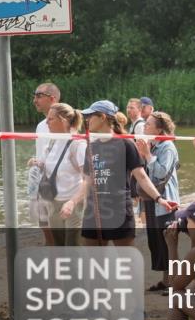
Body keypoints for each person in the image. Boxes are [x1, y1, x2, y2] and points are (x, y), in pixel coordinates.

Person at [62, 100, 177, 245]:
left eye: (91, 116)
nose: (87, 120)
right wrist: (72, 202)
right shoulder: (91, 147)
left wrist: (159, 199)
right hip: (94, 213)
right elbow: (87, 181)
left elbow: (141, 176)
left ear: (103, 117)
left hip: (120, 211)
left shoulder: (126, 144)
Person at [135, 111, 180, 293]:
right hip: (152, 200)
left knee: (167, 241)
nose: (145, 126)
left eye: (149, 124)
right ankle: (165, 279)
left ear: (159, 129)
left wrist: (147, 155)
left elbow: (161, 173)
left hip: (166, 201)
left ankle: (173, 283)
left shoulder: (167, 147)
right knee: (155, 242)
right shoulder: (153, 145)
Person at [38, 103, 86, 246]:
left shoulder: (78, 144)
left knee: (72, 249)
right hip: (53, 202)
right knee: (58, 247)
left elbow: (88, 180)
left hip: (73, 204)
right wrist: (38, 164)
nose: (46, 122)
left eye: (50, 119)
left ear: (63, 121)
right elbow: (51, 167)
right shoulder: (53, 141)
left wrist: (72, 202)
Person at [28, 82, 60, 244]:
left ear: (52, 99)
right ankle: (52, 252)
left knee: (59, 225)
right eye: (34, 96)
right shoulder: (41, 126)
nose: (35, 100)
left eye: (39, 96)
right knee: (42, 221)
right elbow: (44, 153)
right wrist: (36, 161)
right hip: (41, 180)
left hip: (59, 182)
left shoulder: (65, 124)